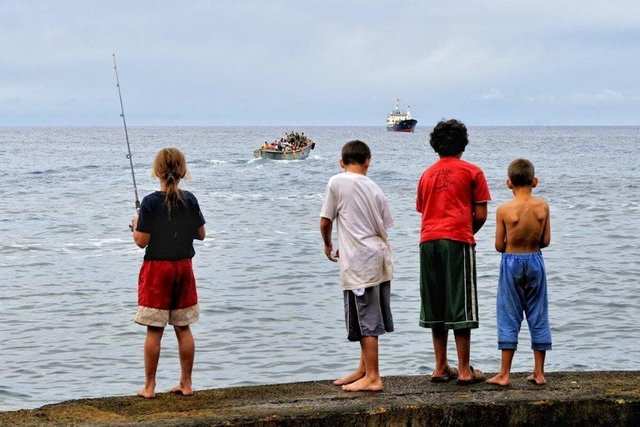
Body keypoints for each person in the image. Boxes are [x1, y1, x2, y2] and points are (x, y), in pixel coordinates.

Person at [416, 119, 491, 385]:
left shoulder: (426, 174)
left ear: (435, 146)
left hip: (428, 241)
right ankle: (463, 370)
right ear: (463, 144)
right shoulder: (473, 172)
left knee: (436, 303)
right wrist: (466, 230)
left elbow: (424, 210)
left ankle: (439, 367)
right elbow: (480, 214)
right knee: (462, 304)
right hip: (457, 240)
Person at [131, 147, 206, 399]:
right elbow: (201, 234)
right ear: (183, 171)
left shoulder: (150, 203)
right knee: (183, 327)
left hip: (157, 270)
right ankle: (186, 384)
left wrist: (135, 225)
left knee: (154, 330)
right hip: (183, 267)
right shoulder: (190, 199)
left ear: (157, 172)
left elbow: (142, 241)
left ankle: (149, 387)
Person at [320, 140, 394, 392]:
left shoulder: (337, 182)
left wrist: (327, 245)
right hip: (379, 257)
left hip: (359, 262)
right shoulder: (375, 188)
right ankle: (363, 369)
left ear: (341, 162)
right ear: (368, 161)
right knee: (368, 315)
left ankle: (373, 376)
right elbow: (384, 224)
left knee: (367, 320)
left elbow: (325, 220)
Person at [487, 159, 552, 387]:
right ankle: (539, 373)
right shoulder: (542, 207)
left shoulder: (504, 209)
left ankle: (504, 373)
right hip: (535, 260)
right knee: (538, 312)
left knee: (508, 313)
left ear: (508, 183)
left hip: (511, 261)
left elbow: (498, 245)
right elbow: (546, 240)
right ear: (535, 181)